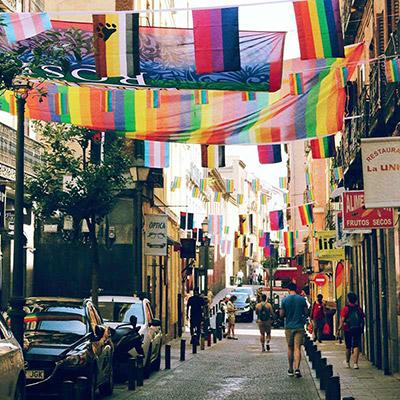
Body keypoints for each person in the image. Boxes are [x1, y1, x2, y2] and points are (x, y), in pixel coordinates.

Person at [280, 282, 308, 378]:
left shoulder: (284, 300)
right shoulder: (301, 299)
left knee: (290, 347)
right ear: (296, 289)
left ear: (288, 290)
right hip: (299, 326)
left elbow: (282, 314)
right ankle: (297, 369)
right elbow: (306, 312)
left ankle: (290, 369)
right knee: (297, 348)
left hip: (289, 326)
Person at [338, 292, 365, 369]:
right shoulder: (358, 308)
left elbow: (342, 320)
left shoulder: (345, 309)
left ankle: (347, 362)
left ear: (348, 300)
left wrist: (339, 328)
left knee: (348, 346)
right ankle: (355, 364)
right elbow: (362, 317)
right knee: (356, 345)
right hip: (357, 328)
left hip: (348, 329)